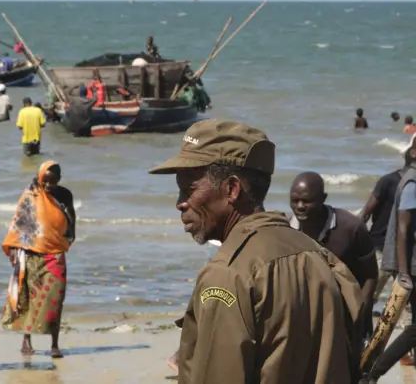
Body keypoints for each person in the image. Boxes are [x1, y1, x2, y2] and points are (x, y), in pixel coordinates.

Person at [148, 118, 364, 384]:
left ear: (231, 189)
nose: (180, 203)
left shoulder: (229, 274)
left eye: (188, 189)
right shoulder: (319, 256)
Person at [1, 161, 76, 358]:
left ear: (59, 179)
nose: (49, 185)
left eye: (53, 181)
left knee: (56, 299)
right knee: (29, 296)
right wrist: (15, 251)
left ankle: (54, 343)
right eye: (46, 181)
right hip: (31, 252)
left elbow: (71, 213)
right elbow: (20, 222)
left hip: (55, 253)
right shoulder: (31, 194)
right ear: (40, 177)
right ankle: (26, 340)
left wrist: (71, 235)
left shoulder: (64, 194)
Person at [289, 172, 378, 337]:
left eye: (307, 201)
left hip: (347, 320)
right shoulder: (287, 231)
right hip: (307, 323)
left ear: (323, 198)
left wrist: (360, 313)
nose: (300, 206)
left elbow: (371, 276)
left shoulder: (351, 228)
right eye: (295, 200)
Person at [366, 141, 416, 381]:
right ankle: (370, 370)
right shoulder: (410, 183)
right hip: (408, 264)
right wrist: (404, 271)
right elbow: (403, 230)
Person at [360, 167, 404, 306]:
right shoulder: (389, 181)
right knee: (368, 296)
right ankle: (362, 326)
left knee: (407, 297)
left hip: (407, 251)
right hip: (381, 247)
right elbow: (366, 212)